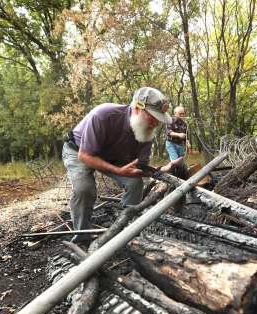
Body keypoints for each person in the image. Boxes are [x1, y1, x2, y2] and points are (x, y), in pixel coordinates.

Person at [62, 87, 176, 245]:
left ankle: (125, 230)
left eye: (159, 119)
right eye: (153, 117)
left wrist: (160, 171)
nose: (156, 123)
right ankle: (83, 237)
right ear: (137, 108)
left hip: (112, 156)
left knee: (135, 183)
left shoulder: (145, 132)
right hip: (79, 151)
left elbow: (141, 166)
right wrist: (117, 170)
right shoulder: (103, 115)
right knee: (84, 189)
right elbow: (84, 155)